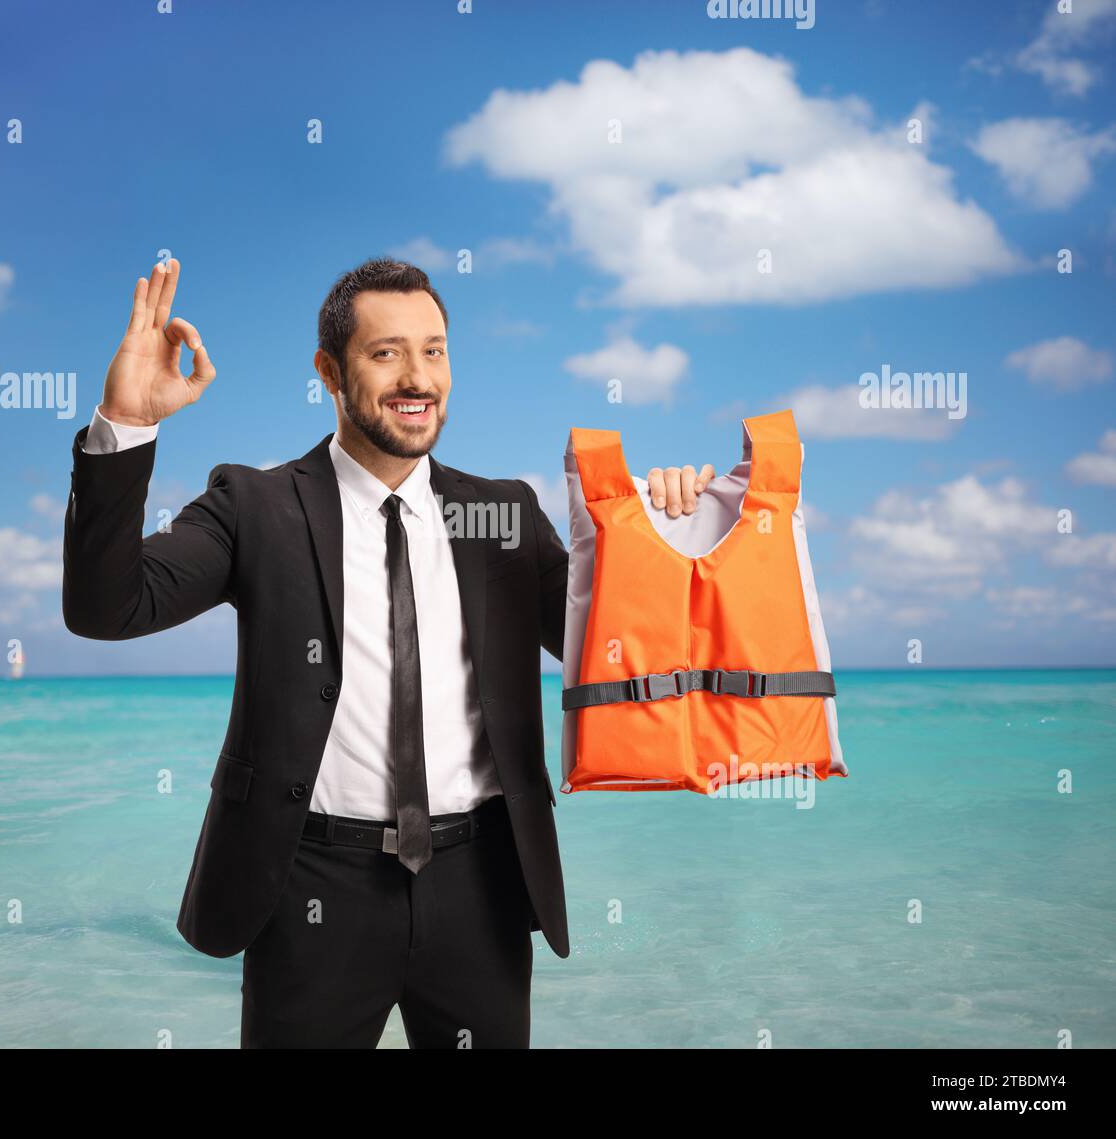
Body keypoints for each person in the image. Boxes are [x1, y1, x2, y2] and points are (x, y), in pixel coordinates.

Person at [62, 256, 713, 1048]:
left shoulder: (501, 515)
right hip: (311, 889)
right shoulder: (258, 507)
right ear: (328, 371)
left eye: (435, 351)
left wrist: (673, 533)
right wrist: (125, 422)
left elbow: (618, 653)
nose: (418, 377)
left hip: (482, 886)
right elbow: (107, 607)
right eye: (387, 352)